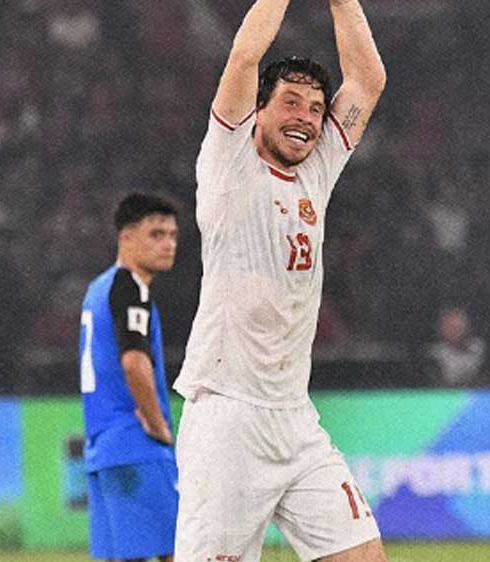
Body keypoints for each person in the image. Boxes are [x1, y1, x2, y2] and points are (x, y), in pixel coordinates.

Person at [172, 0, 387, 560]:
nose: (306, 117)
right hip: (228, 416)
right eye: (290, 102)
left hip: (296, 418)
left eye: (316, 108)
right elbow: (245, 57)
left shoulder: (317, 169)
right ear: (258, 111)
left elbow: (368, 80)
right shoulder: (228, 159)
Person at [79, 192, 180, 562]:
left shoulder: (98, 288)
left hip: (102, 450)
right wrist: (156, 424)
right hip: (136, 444)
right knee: (177, 551)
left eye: (172, 235)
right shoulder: (131, 288)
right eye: (156, 234)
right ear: (126, 237)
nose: (168, 244)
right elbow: (134, 362)